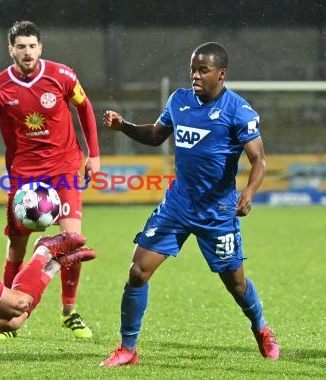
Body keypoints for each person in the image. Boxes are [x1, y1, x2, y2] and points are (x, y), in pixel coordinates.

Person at [100, 42, 279, 367]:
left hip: (218, 212)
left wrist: (249, 192)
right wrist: (124, 126)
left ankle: (261, 328)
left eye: (203, 70)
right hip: (178, 206)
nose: (195, 76)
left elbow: (260, 160)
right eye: (193, 69)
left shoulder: (238, 110)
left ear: (221, 74)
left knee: (236, 284)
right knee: (138, 271)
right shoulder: (179, 100)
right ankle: (128, 349)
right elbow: (156, 135)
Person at [0, 20, 100, 339]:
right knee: (16, 247)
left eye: (32, 46)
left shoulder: (62, 75)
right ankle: (4, 314)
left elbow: (85, 109)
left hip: (65, 169)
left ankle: (69, 311)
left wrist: (93, 154)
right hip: (25, 177)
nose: (27, 52)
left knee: (72, 240)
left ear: (40, 48)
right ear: (10, 50)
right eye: (21, 46)